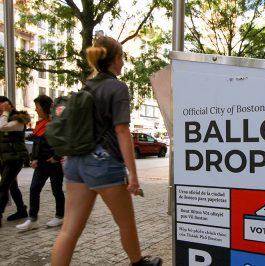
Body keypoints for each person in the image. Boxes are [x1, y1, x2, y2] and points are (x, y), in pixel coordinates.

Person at [51, 36, 162, 266]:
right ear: (114, 59)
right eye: (122, 57)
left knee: (69, 230)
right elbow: (122, 131)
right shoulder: (117, 87)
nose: (123, 63)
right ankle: (138, 262)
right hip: (103, 162)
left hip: (75, 162)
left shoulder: (86, 86)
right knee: (125, 222)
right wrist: (133, 175)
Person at [16, 95, 65, 231]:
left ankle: (60, 216)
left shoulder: (54, 123)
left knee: (57, 190)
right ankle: (33, 219)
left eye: (37, 106)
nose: (36, 109)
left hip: (54, 164)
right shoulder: (39, 124)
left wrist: (56, 157)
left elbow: (61, 142)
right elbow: (38, 144)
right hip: (42, 164)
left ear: (44, 107)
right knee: (34, 189)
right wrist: (34, 158)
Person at [0, 96, 30, 227]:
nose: (1, 109)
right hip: (4, 158)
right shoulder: (3, 118)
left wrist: (5, 112)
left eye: (3, 106)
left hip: (15, 157)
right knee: (12, 186)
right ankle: (22, 210)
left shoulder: (18, 120)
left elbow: (3, 127)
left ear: (10, 106)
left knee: (3, 186)